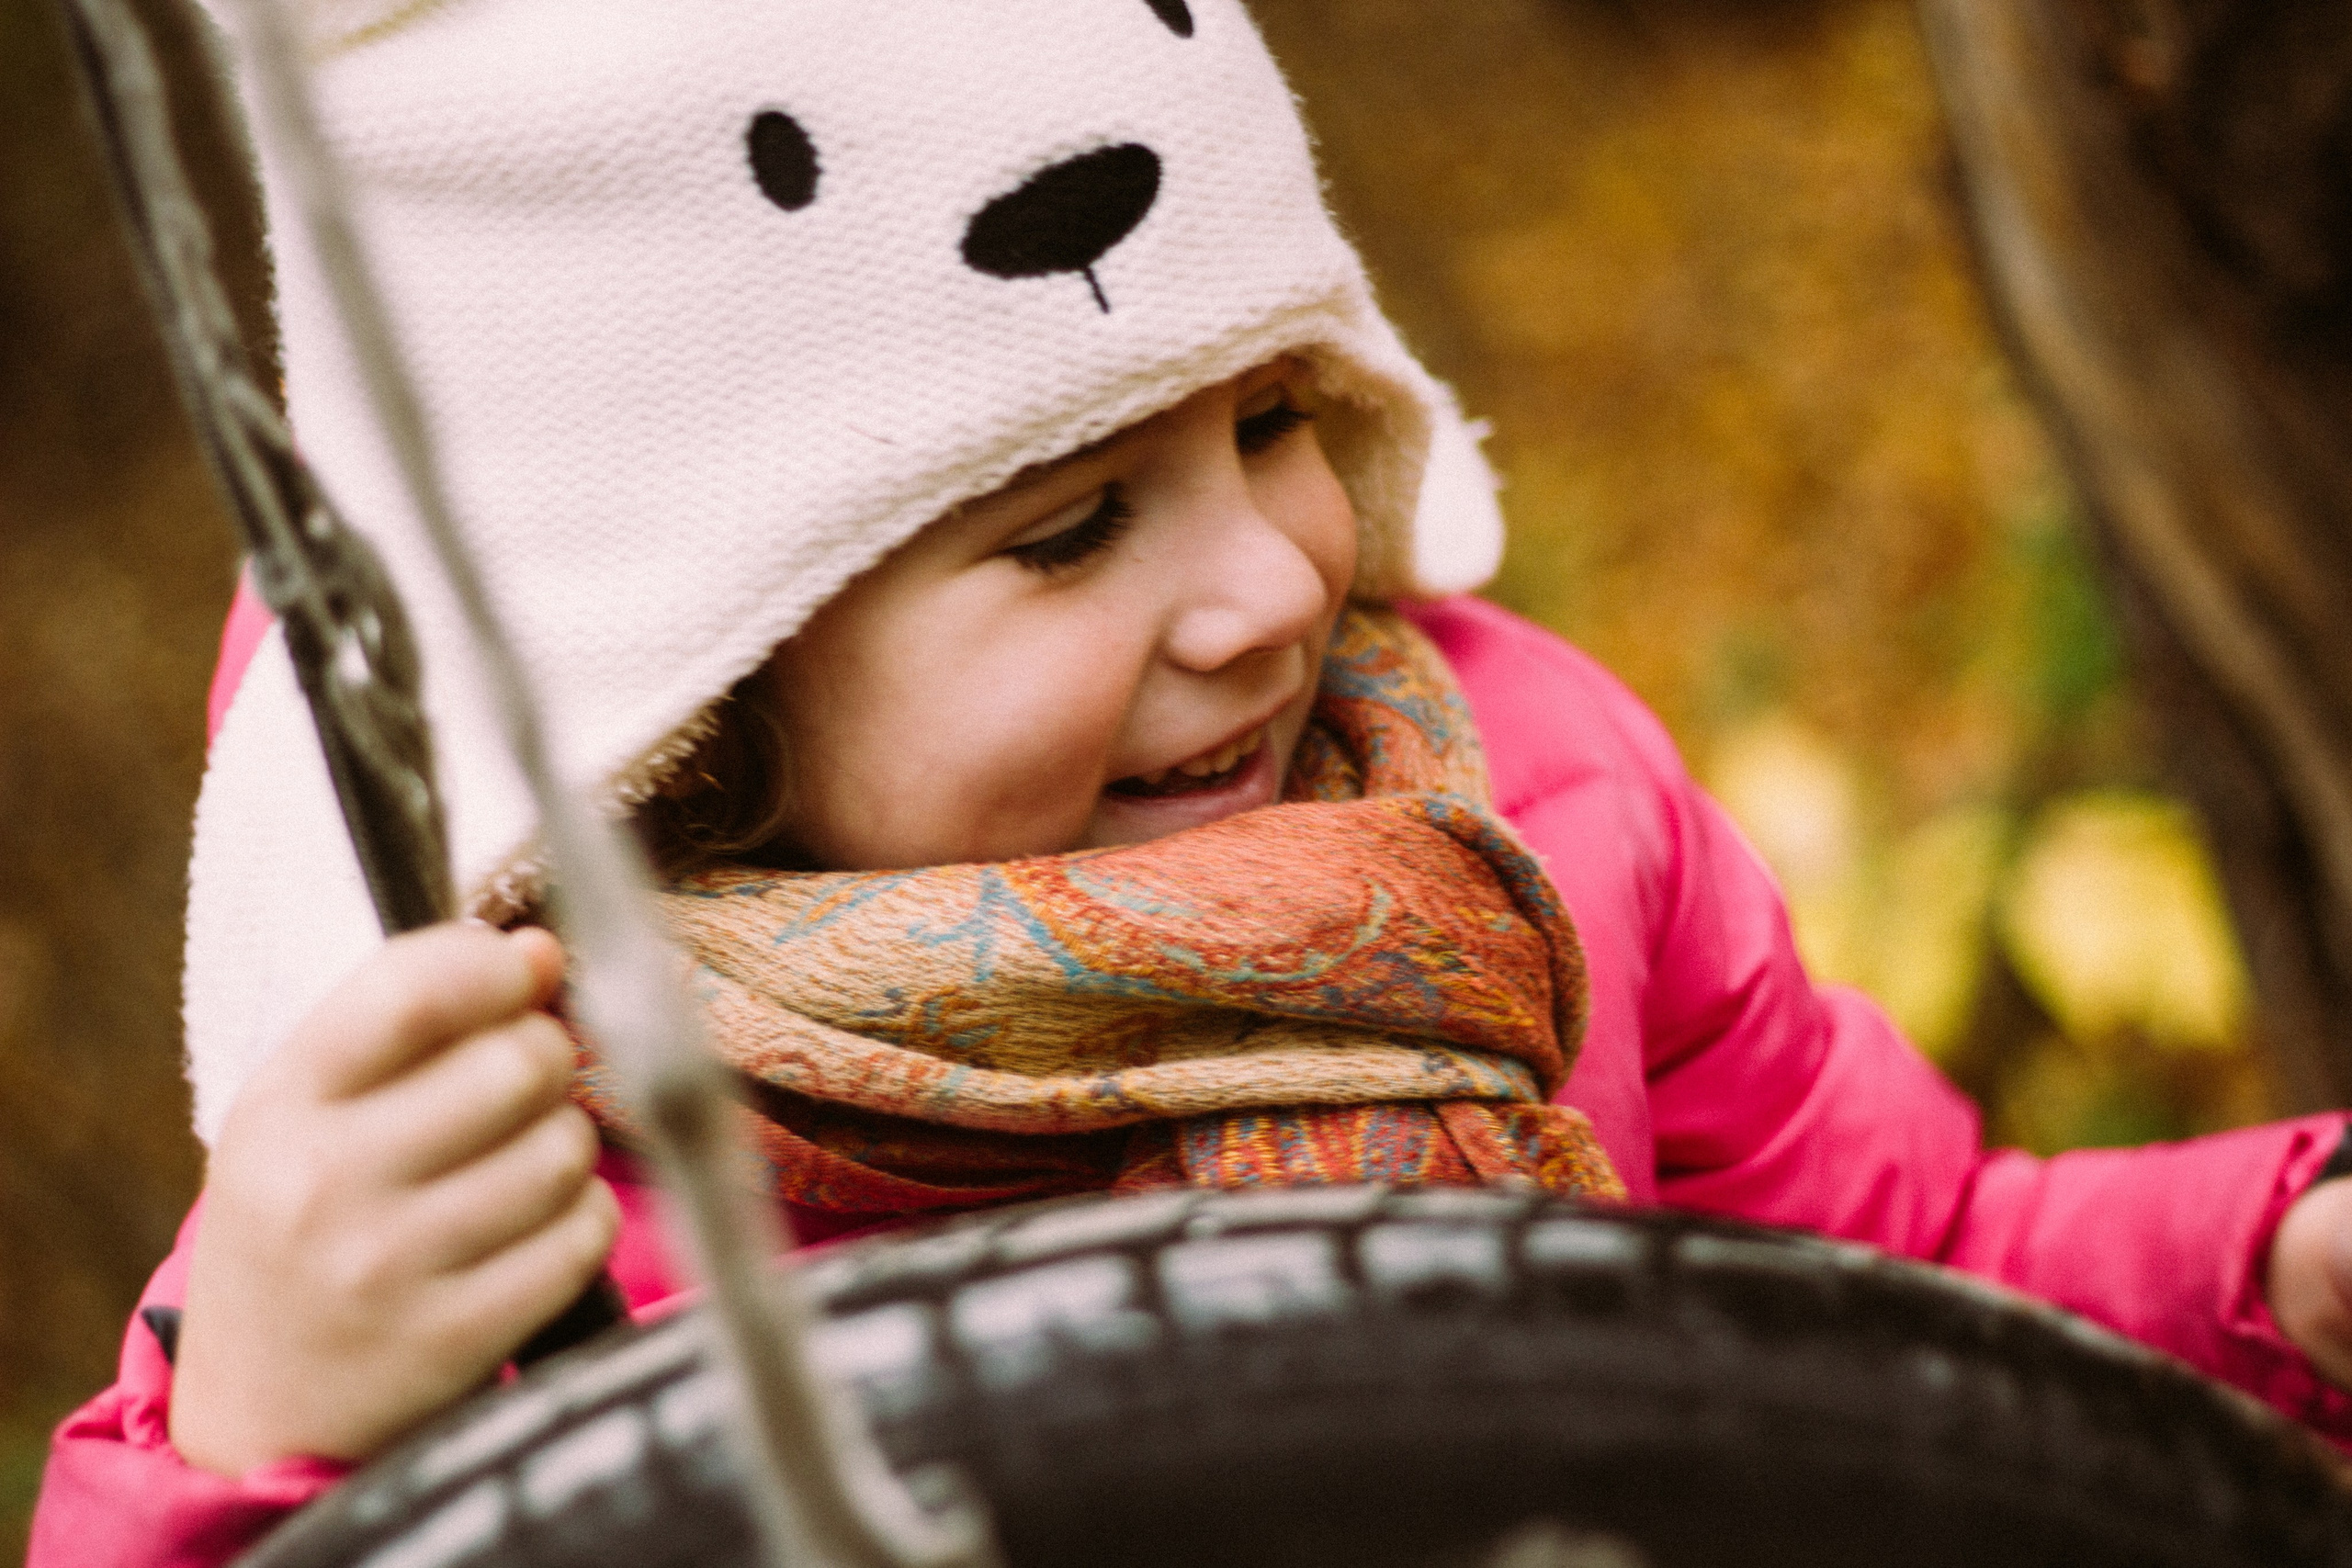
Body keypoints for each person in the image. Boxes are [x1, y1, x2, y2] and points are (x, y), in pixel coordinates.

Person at [30, 0, 2352, 1562]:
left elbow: (1911, 1295)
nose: (1264, 582)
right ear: (687, 685)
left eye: (1268, 421)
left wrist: (2273, 1262)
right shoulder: (479, 1160)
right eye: (1059, 531)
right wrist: (257, 1435)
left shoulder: (1526, 815)